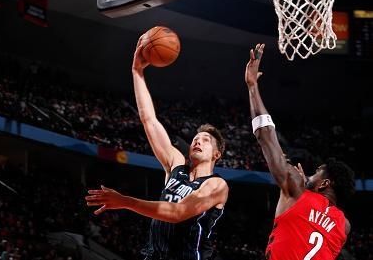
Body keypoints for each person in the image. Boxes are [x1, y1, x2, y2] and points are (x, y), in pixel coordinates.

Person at [85, 36, 229, 260]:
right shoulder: (176, 165)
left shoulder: (217, 185)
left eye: (206, 140)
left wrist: (125, 201)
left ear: (217, 154)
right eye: (195, 138)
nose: (198, 141)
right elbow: (149, 120)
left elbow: (179, 213)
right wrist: (137, 72)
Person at [244, 43, 355, 260]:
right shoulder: (345, 225)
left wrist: (252, 86)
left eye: (316, 173)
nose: (309, 175)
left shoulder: (296, 188)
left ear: (324, 183)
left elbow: (265, 136)